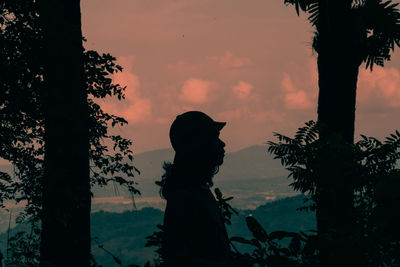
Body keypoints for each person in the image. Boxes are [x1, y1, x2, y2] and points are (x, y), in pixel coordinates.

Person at [159, 111, 231, 266]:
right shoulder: (184, 195)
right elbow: (177, 259)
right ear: (200, 145)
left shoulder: (193, 190)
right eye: (215, 138)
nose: (222, 144)